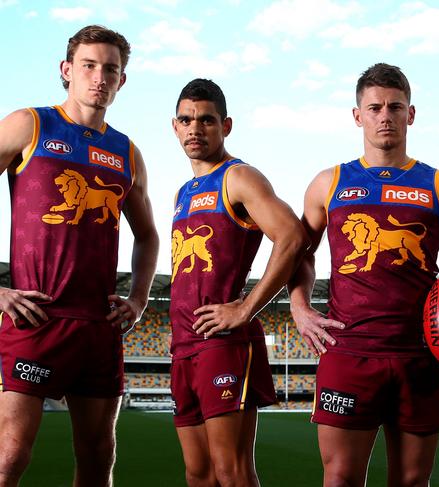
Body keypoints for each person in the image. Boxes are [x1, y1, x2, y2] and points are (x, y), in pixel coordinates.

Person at [288, 63, 439, 487]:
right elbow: (299, 253)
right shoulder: (327, 184)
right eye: (374, 107)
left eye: (394, 106)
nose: (384, 115)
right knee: (339, 479)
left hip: (420, 353)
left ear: (411, 114)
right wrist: (299, 306)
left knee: (411, 482)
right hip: (349, 350)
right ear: (358, 116)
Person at [0, 25, 159, 487]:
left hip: (96, 326)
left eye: (111, 69)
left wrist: (141, 298)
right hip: (36, 317)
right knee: (10, 456)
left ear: (122, 80)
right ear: (66, 70)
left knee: (97, 459)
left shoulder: (125, 151)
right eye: (89, 65)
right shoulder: (29, 123)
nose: (99, 77)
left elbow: (147, 236)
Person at [169, 78, 307, 487]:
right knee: (199, 473)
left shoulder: (239, 177)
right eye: (186, 119)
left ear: (225, 126)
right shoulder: (183, 192)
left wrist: (246, 309)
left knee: (231, 471)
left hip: (223, 343)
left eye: (207, 120)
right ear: (174, 126)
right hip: (182, 342)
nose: (196, 128)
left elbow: (293, 237)